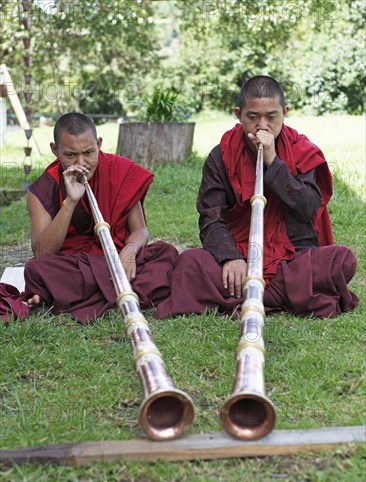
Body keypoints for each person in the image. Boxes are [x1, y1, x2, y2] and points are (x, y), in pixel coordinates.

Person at [155, 76, 358, 319]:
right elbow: (211, 217)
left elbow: (308, 207)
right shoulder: (221, 156)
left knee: (342, 259)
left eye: (271, 117)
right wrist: (231, 258)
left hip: (291, 257)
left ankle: (248, 296)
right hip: (239, 257)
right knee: (189, 262)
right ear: (238, 114)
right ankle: (283, 296)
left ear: (285, 112)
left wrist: (273, 161)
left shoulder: (301, 149)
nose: (262, 126)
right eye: (253, 117)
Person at [22, 112, 178, 323]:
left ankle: (62, 297)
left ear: (99, 144)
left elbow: (140, 230)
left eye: (88, 152)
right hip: (75, 263)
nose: (81, 162)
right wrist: (70, 202)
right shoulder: (42, 189)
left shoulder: (120, 171)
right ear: (55, 151)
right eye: (70, 155)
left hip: (117, 258)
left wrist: (129, 252)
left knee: (165, 253)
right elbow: (42, 252)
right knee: (36, 270)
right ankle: (117, 289)